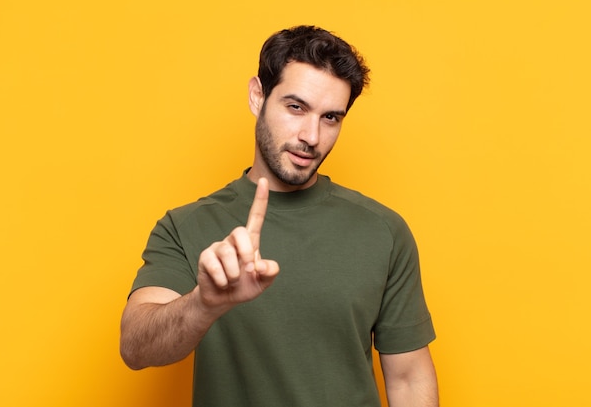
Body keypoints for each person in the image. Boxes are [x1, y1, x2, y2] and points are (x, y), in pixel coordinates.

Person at [120, 25, 438, 407]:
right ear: (258, 96)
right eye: (296, 107)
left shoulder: (384, 231)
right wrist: (204, 303)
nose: (312, 136)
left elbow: (408, 378)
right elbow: (135, 347)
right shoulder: (185, 226)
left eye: (331, 118)